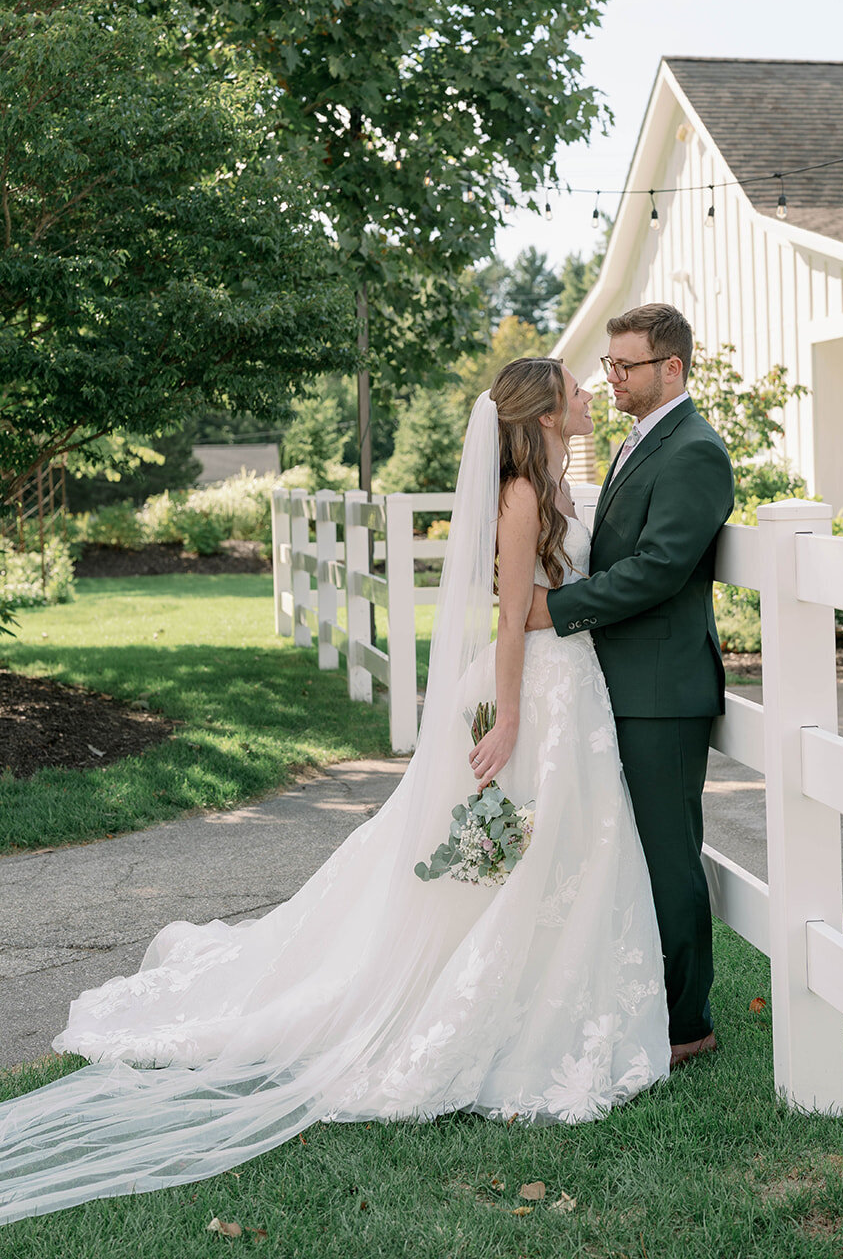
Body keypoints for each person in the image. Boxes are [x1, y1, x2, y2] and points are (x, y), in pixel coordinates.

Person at [0, 358, 669, 1228]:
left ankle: (556, 997)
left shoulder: (558, 485)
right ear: (544, 414)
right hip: (533, 692)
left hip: (572, 690)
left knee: (569, 851)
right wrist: (506, 719)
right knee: (511, 856)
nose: (589, 395)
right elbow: (513, 615)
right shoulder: (518, 497)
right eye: (576, 390)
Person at [525, 304, 734, 1068]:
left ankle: (687, 1024)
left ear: (670, 368)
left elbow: (659, 569)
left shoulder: (694, 452)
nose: (608, 376)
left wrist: (554, 612)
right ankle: (639, 996)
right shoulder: (637, 439)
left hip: (661, 690)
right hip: (613, 681)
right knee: (622, 850)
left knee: (666, 854)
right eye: (608, 365)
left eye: (624, 365)